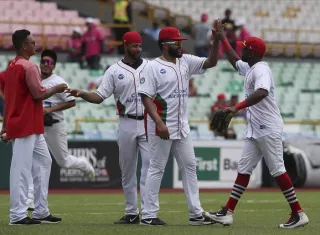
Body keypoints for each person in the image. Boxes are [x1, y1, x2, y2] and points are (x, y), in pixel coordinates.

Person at [204, 20, 309, 228]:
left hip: (267, 127)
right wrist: (222, 38)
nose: (241, 50)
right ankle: (227, 212)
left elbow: (262, 92)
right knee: (244, 169)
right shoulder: (251, 66)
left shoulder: (261, 70)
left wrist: (235, 108)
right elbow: (234, 60)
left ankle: (298, 213)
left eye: (244, 48)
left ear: (252, 53)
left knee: (278, 169)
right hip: (256, 128)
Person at [138, 26, 219, 226]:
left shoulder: (185, 61)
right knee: (156, 168)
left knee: (190, 166)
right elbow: (145, 97)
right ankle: (148, 215)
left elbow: (211, 62)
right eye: (177, 42)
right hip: (161, 125)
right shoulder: (152, 66)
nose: (180, 45)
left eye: (181, 41)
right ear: (165, 45)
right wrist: (159, 122)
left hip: (182, 126)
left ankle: (195, 214)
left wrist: (216, 41)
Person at [66, 32, 150, 225]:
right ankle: (131, 213)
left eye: (140, 46)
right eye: (134, 45)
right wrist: (82, 94)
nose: (138, 49)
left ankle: (149, 213)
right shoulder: (113, 70)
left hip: (147, 121)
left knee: (149, 170)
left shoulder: (150, 67)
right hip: (126, 122)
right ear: (125, 45)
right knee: (128, 171)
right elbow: (99, 96)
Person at [0, 29, 65, 225]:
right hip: (25, 123)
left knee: (44, 162)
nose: (36, 45)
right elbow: (39, 94)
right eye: (32, 42)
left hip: (29, 123)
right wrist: (58, 88)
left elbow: (9, 98)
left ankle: (40, 211)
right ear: (24, 46)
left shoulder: (12, 66)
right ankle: (17, 215)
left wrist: (5, 125)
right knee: (21, 169)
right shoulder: (29, 67)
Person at [26, 49, 95, 210]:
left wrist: (50, 110)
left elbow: (72, 102)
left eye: (49, 62)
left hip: (55, 124)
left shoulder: (59, 81)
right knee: (31, 160)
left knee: (63, 161)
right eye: (43, 61)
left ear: (54, 66)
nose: (45, 65)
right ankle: (30, 198)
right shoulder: (34, 78)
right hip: (37, 125)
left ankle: (83, 164)